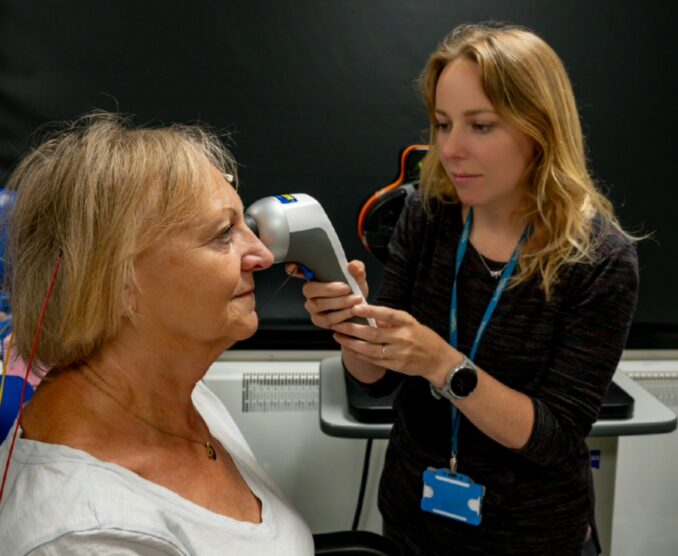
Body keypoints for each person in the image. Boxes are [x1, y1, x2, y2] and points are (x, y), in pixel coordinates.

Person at [292, 23, 638, 555]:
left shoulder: (600, 259)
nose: (449, 150)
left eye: (480, 126)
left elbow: (554, 438)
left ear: (539, 130)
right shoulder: (427, 214)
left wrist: (443, 365)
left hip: (528, 537)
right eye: (442, 124)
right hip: (414, 521)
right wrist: (354, 325)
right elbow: (376, 380)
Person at [0, 113, 314, 555]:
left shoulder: (182, 390)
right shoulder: (84, 536)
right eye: (224, 234)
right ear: (118, 284)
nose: (262, 255)